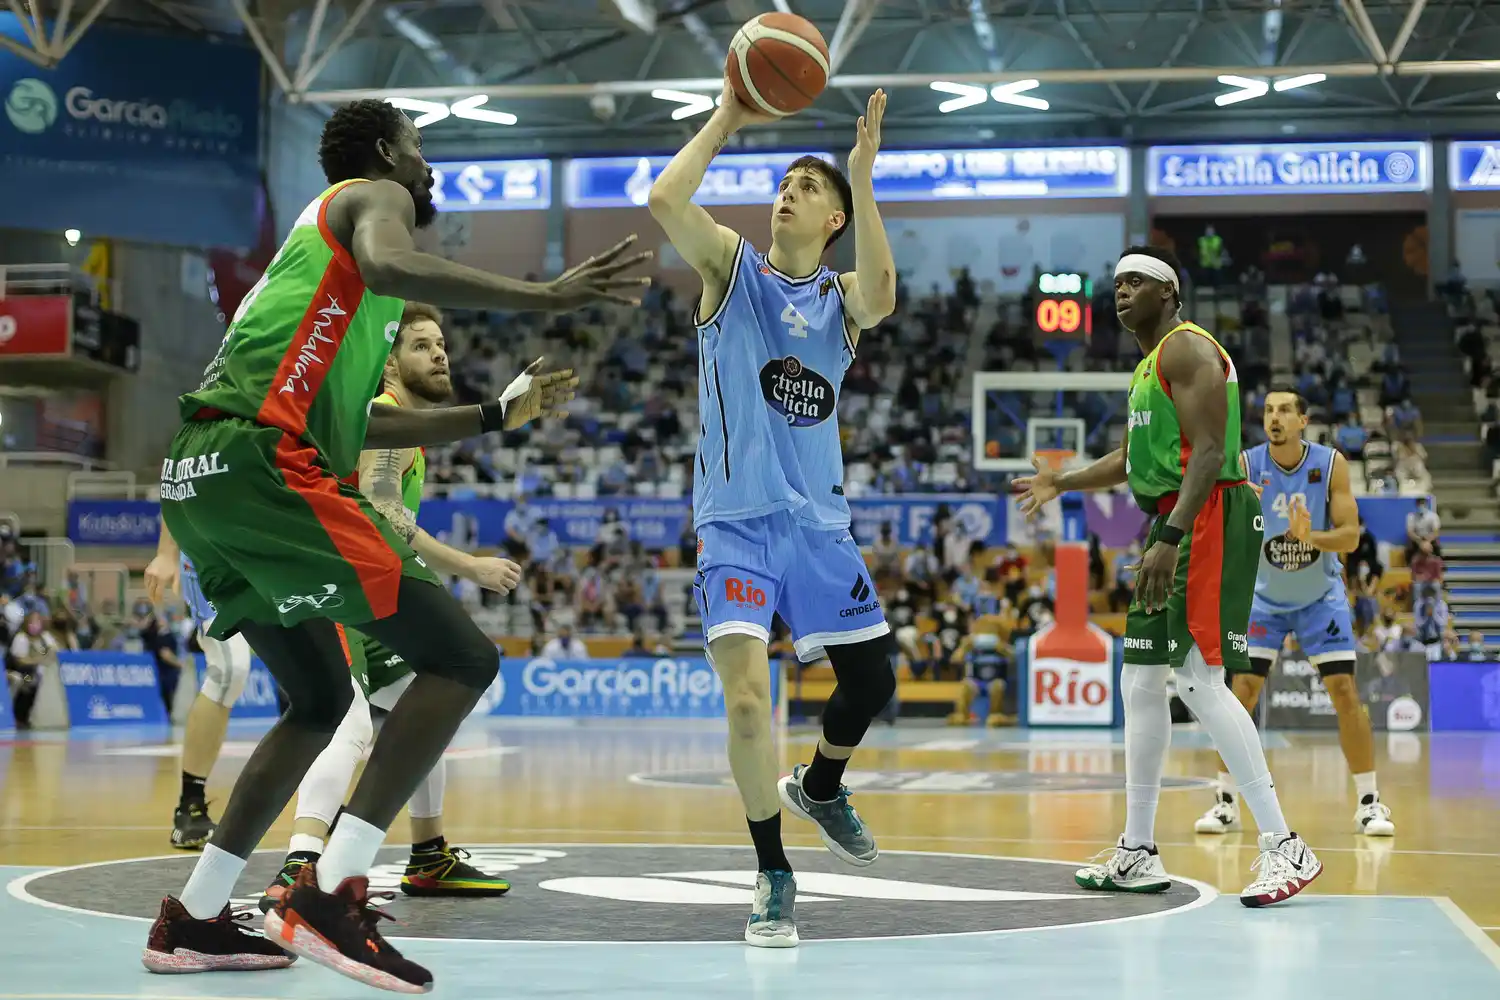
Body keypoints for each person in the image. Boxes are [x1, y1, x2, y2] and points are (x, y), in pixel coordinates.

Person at [140, 98, 645, 992]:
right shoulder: (371, 199)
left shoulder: (334, 294)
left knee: (316, 699)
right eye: (420, 149)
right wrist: (547, 293)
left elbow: (374, 427)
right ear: (383, 154)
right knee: (462, 658)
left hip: (200, 473)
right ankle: (329, 895)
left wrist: (495, 414)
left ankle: (195, 917)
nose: (427, 168)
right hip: (262, 460)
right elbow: (386, 252)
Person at [648, 84, 897, 946]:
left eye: (806, 185)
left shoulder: (842, 300)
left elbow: (886, 297)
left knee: (873, 684)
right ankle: (772, 872)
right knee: (749, 702)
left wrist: (862, 177)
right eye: (782, 180)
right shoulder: (730, 268)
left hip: (821, 528)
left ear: (832, 217)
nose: (785, 190)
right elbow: (664, 199)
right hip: (737, 524)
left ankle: (822, 787)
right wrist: (727, 114)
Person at [1016, 245, 1321, 907]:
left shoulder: (1186, 350)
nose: (1122, 291)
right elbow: (1131, 459)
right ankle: (1138, 850)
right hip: (1173, 518)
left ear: (1169, 294)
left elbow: (1211, 453)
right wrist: (1060, 481)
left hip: (1207, 514)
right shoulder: (1148, 368)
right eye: (1118, 282)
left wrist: (1172, 535)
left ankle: (1285, 846)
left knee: (1199, 679)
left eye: (1137, 282)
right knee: (1141, 678)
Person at [257, 303, 523, 912]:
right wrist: (468, 565)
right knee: (347, 726)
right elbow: (382, 507)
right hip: (342, 588)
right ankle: (302, 864)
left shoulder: (401, 423)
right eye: (423, 345)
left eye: (442, 345)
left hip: (371, 585)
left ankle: (428, 855)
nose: (439, 355)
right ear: (390, 362)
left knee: (426, 708)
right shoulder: (383, 413)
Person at [1193, 389, 1395, 838]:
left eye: (1284, 410)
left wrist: (1310, 537)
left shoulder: (1331, 464)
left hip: (1319, 598)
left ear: (1303, 420)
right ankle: (1225, 802)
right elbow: (1223, 529)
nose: (1274, 417)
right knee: (1240, 694)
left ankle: (1369, 803)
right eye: (1268, 410)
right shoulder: (1246, 465)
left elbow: (1348, 538)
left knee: (1344, 690)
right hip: (1263, 598)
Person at [143, 526, 257, 850]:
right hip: (213, 546)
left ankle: (326, 804)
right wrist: (167, 551)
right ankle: (190, 805)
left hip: (276, 540)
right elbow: (172, 473)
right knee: (229, 669)